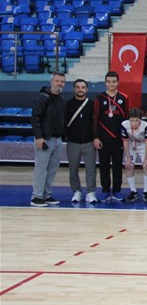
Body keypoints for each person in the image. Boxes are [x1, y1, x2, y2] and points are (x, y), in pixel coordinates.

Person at [30, 72, 66, 207]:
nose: (59, 84)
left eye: (62, 81)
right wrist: (39, 137)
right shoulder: (43, 97)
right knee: (41, 168)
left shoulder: (61, 98)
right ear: (51, 81)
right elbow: (35, 118)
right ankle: (36, 196)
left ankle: (46, 194)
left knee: (52, 169)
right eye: (57, 81)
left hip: (57, 140)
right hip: (45, 139)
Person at [93, 71, 129, 202]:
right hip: (103, 138)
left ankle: (117, 190)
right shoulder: (99, 98)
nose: (111, 84)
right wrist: (95, 137)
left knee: (118, 165)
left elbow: (127, 119)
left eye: (114, 81)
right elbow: (95, 118)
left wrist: (125, 137)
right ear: (105, 83)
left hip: (118, 138)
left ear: (118, 82)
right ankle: (105, 190)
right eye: (109, 82)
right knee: (104, 165)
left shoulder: (124, 97)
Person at [65, 78, 98, 205]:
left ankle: (90, 192)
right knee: (73, 169)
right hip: (73, 142)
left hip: (89, 142)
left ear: (86, 89)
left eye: (83, 87)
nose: (80, 89)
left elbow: (96, 122)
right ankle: (76, 191)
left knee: (91, 169)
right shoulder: (68, 104)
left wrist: (95, 137)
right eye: (78, 87)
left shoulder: (92, 104)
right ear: (74, 89)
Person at [120, 108, 147, 203]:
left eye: (137, 120)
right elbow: (125, 142)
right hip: (130, 146)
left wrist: (146, 159)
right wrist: (128, 158)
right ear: (128, 119)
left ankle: (146, 192)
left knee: (146, 166)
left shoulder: (146, 126)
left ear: (140, 119)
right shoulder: (124, 125)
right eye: (132, 120)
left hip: (143, 145)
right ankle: (133, 191)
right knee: (129, 166)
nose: (134, 123)